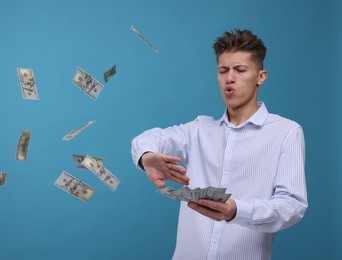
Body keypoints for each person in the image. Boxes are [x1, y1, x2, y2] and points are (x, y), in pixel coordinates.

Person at [131, 29, 308, 260]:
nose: (229, 78)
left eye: (240, 70)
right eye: (223, 70)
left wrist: (237, 211)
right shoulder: (199, 129)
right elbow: (149, 138)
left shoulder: (286, 132)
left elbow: (291, 206)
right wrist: (146, 156)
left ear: (261, 76)